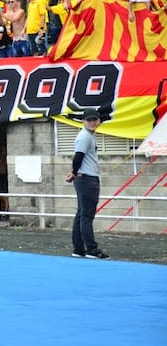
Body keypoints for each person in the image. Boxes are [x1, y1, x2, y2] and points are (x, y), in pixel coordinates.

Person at [65, 109, 109, 259]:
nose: (91, 122)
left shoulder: (88, 136)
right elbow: (78, 156)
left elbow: (79, 157)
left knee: (81, 214)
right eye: (88, 120)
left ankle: (78, 249)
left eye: (94, 120)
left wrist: (74, 172)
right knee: (87, 216)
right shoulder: (85, 137)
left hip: (84, 178)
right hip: (87, 179)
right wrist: (74, 171)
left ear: (98, 121)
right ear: (83, 121)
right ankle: (91, 249)